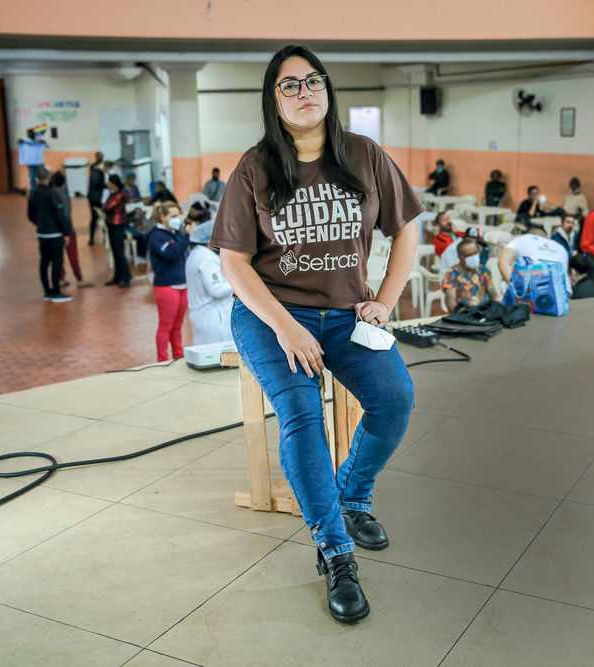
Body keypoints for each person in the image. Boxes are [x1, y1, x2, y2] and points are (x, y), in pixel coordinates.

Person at [212, 45, 421, 625]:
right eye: (289, 85)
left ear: (327, 91)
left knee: (395, 399)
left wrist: (384, 300)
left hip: (349, 314)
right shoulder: (255, 166)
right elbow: (233, 262)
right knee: (303, 413)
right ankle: (336, 552)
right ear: (273, 101)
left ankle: (352, 495)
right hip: (270, 314)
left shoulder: (364, 155)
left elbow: (405, 230)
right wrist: (284, 328)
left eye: (314, 81)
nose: (304, 92)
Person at [148, 203, 193, 361]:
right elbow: (171, 253)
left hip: (182, 284)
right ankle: (162, 360)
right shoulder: (157, 236)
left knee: (177, 326)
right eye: (173, 216)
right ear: (163, 217)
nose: (177, 219)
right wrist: (186, 236)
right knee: (166, 326)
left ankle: (178, 357)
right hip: (167, 286)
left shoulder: (175, 233)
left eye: (178, 215)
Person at [27, 166, 74, 302]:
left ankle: (46, 291)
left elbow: (30, 215)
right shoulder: (52, 193)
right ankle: (56, 292)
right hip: (54, 234)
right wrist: (66, 232)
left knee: (44, 261)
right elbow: (60, 214)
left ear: (36, 178)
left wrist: (40, 224)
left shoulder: (33, 193)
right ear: (48, 177)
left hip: (42, 234)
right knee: (57, 262)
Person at [186, 219, 235, 346]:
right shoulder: (207, 259)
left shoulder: (195, 254)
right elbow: (217, 290)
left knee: (204, 353)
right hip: (212, 317)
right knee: (219, 356)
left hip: (200, 315)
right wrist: (239, 283)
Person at [499, 222, 572, 293]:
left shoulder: (522, 239)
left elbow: (502, 262)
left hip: (534, 294)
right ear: (546, 237)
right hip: (564, 295)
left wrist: (516, 288)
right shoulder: (560, 248)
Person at [50, 171, 93, 289]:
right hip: (67, 230)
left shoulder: (50, 194)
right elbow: (66, 214)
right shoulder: (63, 195)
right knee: (73, 256)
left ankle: (61, 278)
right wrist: (67, 231)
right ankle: (79, 279)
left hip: (54, 231)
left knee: (58, 257)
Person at [444, 237, 497, 311]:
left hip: (484, 311)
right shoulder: (452, 274)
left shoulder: (483, 270)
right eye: (469, 255)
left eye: (475, 253)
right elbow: (450, 302)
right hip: (464, 314)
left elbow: (493, 295)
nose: (474, 257)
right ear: (460, 257)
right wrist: (462, 312)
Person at [103, 174, 132, 287]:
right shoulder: (112, 194)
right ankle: (117, 276)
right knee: (114, 252)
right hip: (111, 225)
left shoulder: (120, 195)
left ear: (113, 183)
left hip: (118, 226)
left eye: (109, 182)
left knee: (120, 253)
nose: (107, 184)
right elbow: (105, 206)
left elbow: (108, 207)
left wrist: (105, 207)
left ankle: (126, 277)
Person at [87, 157, 111, 245]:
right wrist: (106, 186)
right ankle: (92, 238)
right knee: (94, 218)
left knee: (97, 217)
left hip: (96, 198)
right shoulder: (97, 172)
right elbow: (96, 182)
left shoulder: (98, 172)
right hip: (95, 198)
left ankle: (99, 237)